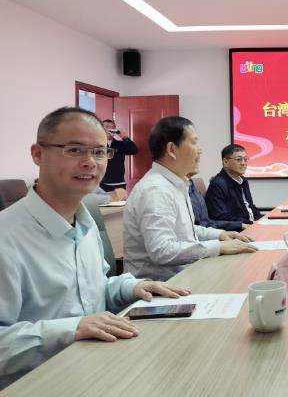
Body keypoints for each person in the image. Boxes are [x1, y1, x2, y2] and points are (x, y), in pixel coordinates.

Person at [0, 107, 188, 388]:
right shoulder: (7, 238)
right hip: (40, 383)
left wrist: (132, 287)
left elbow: (92, 291)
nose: (90, 162)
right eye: (74, 150)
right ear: (38, 154)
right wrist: (71, 329)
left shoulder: (84, 223)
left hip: (97, 366)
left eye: (100, 152)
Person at [123, 117, 256, 282]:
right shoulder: (156, 190)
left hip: (186, 275)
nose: (200, 150)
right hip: (161, 286)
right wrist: (218, 247)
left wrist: (221, 234)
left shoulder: (177, 184)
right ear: (172, 149)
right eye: (194, 142)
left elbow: (187, 231)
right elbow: (162, 250)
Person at [205, 144, 263, 224]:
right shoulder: (217, 185)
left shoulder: (243, 181)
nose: (243, 163)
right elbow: (220, 216)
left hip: (252, 225)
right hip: (238, 229)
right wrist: (250, 223)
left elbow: (250, 207)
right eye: (239, 159)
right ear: (225, 162)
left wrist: (263, 220)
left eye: (245, 159)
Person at [100, 119, 138, 192]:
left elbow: (134, 151)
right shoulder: (97, 144)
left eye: (112, 127)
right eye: (107, 126)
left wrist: (125, 138)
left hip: (119, 183)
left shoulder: (120, 144)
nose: (110, 129)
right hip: (101, 183)